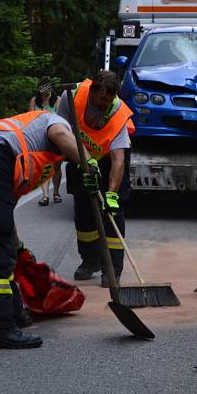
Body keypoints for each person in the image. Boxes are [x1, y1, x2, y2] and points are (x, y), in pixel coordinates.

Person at [0, 108, 99, 349]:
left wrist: (17, 247)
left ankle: (11, 312)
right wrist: (89, 164)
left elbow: (5, 212)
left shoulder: (30, 153)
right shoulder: (57, 122)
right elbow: (60, 133)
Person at [55, 70, 133, 287]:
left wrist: (111, 194)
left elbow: (119, 160)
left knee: (112, 215)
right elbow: (58, 130)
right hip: (79, 156)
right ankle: (90, 262)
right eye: (100, 99)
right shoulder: (71, 97)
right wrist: (82, 162)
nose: (104, 104)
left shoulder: (117, 114)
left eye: (108, 100)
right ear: (91, 91)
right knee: (83, 214)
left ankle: (112, 270)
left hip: (108, 160)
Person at [30, 77, 63, 206]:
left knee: (57, 166)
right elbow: (29, 118)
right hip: (40, 138)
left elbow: (61, 118)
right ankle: (45, 196)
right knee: (44, 166)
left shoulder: (57, 100)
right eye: (43, 87)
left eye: (48, 87)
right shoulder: (34, 101)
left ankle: (56, 192)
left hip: (55, 138)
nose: (45, 91)